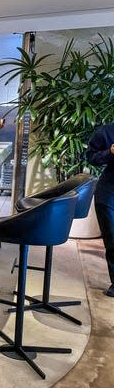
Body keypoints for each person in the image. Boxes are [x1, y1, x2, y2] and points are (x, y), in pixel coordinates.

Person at [86, 124, 114, 297]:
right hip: (109, 193)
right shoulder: (107, 131)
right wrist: (110, 152)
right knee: (112, 238)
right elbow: (91, 157)